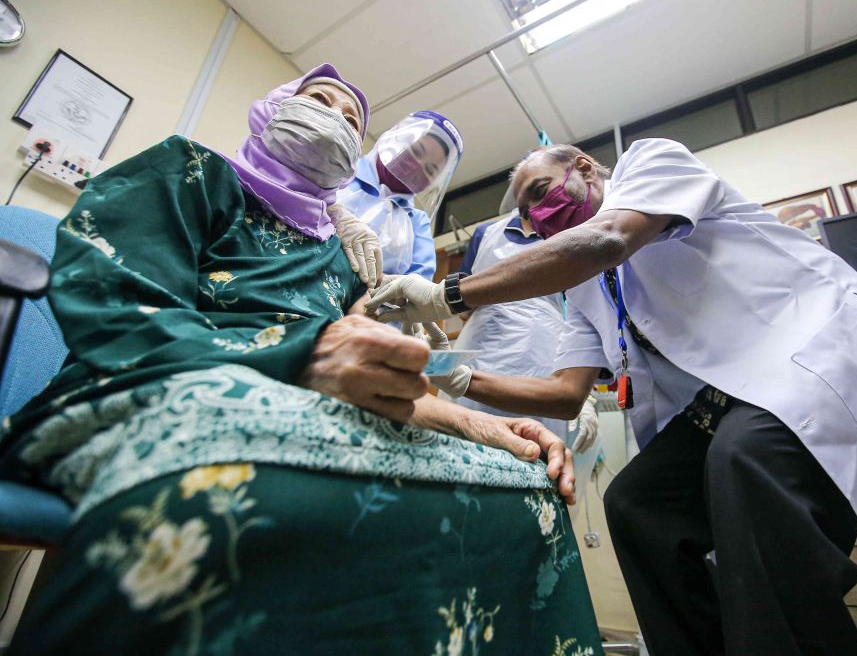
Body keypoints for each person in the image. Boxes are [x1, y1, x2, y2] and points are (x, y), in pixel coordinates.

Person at [0, 66, 598, 655]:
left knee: (523, 487)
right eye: (320, 101)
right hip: (149, 382)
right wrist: (302, 355)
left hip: (304, 413)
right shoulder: (188, 171)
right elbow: (116, 305)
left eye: (351, 120)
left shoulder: (338, 261)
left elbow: (363, 380)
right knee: (260, 490)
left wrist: (484, 426)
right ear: (275, 107)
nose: (335, 120)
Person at [368, 139, 857, 654]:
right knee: (638, 504)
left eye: (542, 192)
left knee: (744, 461)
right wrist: (452, 380)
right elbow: (563, 395)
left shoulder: (650, 165)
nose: (539, 215)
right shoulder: (587, 289)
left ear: (584, 167)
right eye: (530, 214)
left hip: (816, 353)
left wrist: (450, 295)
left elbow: (608, 239)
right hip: (732, 401)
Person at [433, 202, 599, 453]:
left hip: (543, 353)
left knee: (534, 445)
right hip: (483, 348)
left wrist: (585, 392)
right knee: (461, 436)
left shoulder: (567, 237)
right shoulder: (486, 233)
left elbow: (582, 315)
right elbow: (463, 303)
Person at [338, 111, 463, 281]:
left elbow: (417, 284)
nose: (418, 164)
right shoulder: (341, 169)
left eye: (430, 169)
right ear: (395, 138)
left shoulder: (417, 223)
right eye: (416, 151)